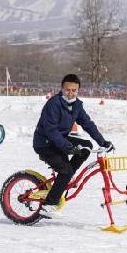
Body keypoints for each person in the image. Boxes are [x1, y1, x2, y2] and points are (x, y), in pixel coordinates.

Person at [32, 73, 113, 219]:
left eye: (74, 90)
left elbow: (88, 124)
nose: (71, 93)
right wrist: (67, 146)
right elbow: (51, 130)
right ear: (62, 89)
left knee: (86, 147)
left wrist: (103, 142)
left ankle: (65, 178)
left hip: (60, 140)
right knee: (66, 171)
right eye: (68, 90)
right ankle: (49, 205)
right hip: (44, 143)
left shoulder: (77, 105)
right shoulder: (53, 104)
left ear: (78, 90)